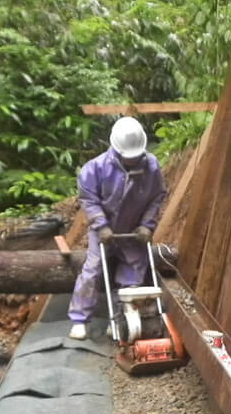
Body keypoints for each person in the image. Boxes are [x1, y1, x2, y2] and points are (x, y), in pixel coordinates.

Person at [67, 116, 167, 340]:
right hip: (104, 229)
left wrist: (146, 225)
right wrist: (101, 225)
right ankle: (79, 320)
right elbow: (89, 199)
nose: (133, 161)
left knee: (133, 271)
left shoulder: (151, 167)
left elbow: (157, 196)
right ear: (116, 149)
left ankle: (121, 319)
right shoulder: (96, 168)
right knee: (92, 269)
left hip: (133, 231)